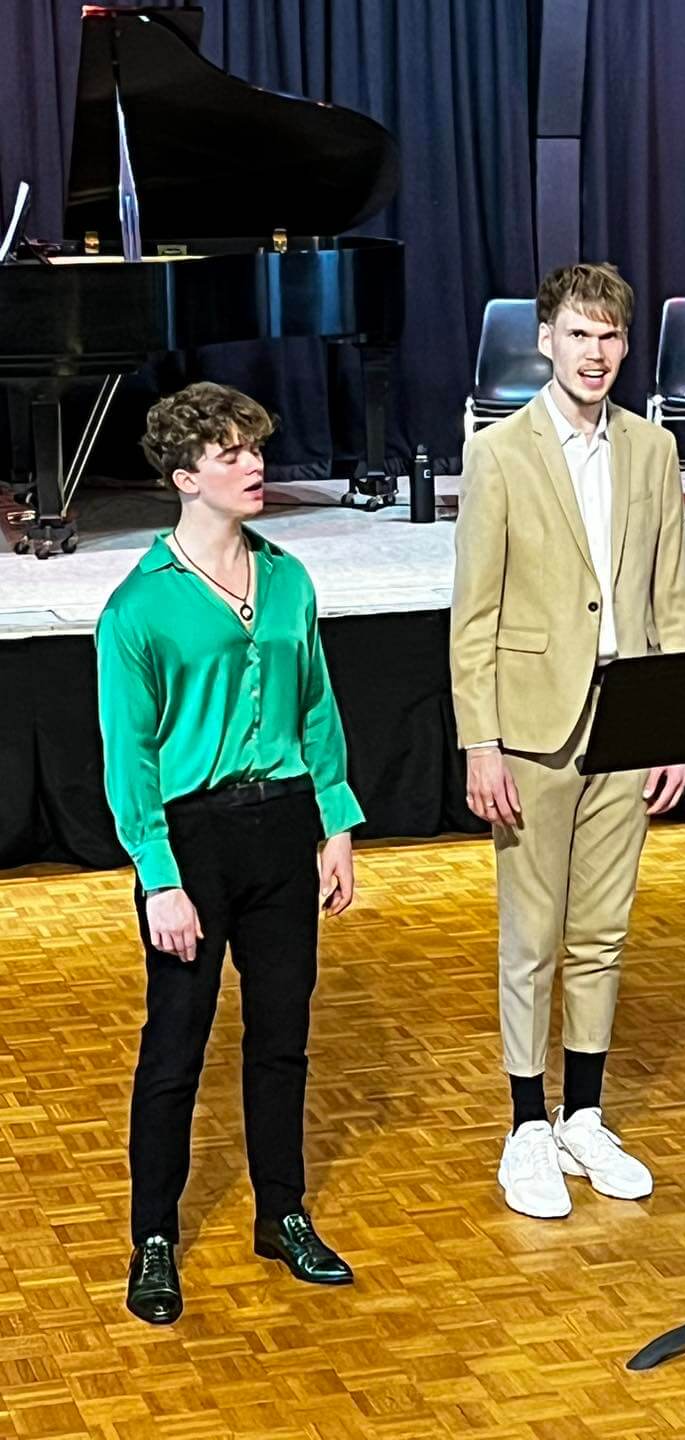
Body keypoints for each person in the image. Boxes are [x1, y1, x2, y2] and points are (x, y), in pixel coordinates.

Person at [96, 382, 364, 1324]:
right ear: (185, 477)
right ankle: (154, 1238)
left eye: (255, 448)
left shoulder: (289, 580)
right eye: (231, 454)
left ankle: (281, 1213)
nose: (254, 466)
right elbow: (129, 758)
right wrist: (159, 879)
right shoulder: (138, 608)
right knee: (175, 1046)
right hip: (194, 841)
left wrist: (336, 824)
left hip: (284, 826)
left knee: (281, 1038)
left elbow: (317, 704)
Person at [451, 262, 685, 1219]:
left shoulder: (652, 449)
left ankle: (583, 1115)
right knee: (532, 933)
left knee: (602, 929)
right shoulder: (499, 453)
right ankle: (526, 1125)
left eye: (611, 336)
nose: (596, 353)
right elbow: (474, 613)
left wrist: (671, 723)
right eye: (579, 335)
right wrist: (481, 742)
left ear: (627, 346)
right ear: (546, 339)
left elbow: (670, 596)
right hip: (531, 726)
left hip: (628, 718)